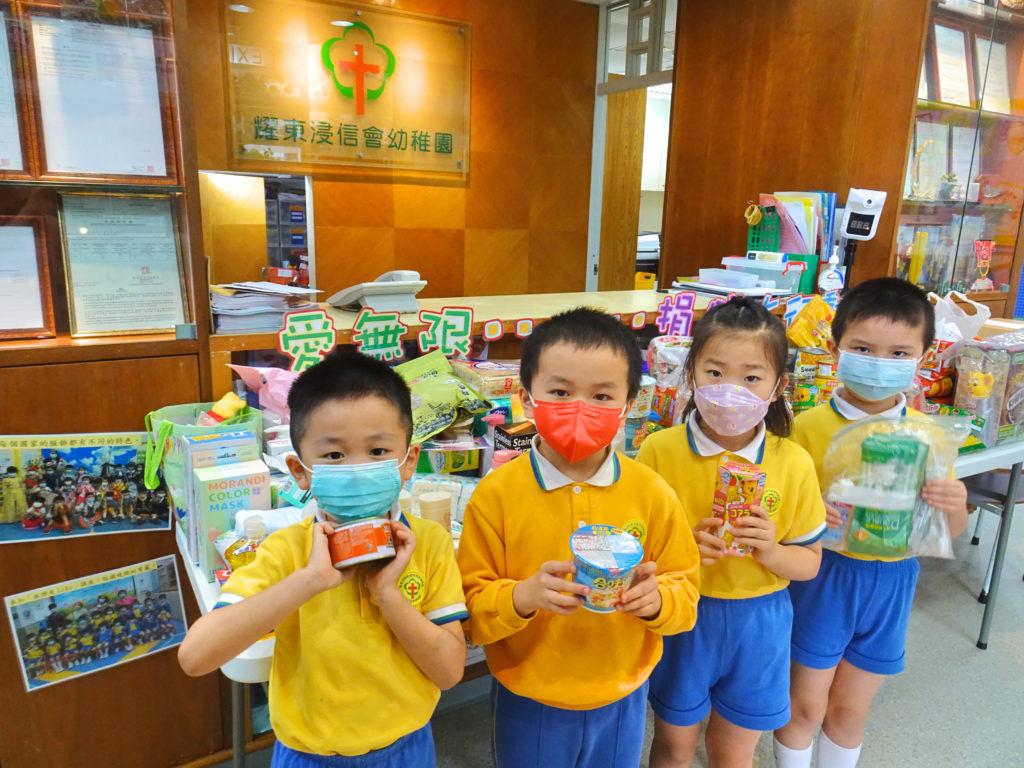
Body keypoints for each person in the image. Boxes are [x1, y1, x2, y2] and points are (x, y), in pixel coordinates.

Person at [178, 349, 468, 767]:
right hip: (308, 755)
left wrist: (388, 594)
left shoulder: (430, 543)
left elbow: (449, 672)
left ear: (408, 462)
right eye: (334, 455)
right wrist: (309, 580)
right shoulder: (287, 550)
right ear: (300, 471)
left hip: (406, 749)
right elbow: (195, 657)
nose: (357, 469)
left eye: (378, 451)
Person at [458, 307, 701, 768]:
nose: (580, 408)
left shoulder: (651, 493)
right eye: (560, 392)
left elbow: (685, 594)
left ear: (628, 405)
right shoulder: (496, 496)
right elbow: (470, 609)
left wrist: (658, 601)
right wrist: (523, 596)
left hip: (622, 693)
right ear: (527, 400)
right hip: (528, 693)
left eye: (602, 396)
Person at [774, 277, 969, 768]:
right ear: (835, 348)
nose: (880, 363)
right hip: (823, 576)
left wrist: (954, 503)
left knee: (850, 710)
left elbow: (947, 532)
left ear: (924, 356)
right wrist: (808, 512)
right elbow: (780, 514)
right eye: (863, 349)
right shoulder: (805, 429)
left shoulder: (930, 435)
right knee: (804, 705)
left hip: (893, 582)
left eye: (899, 353)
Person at [636, 297, 826, 768]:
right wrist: (682, 551)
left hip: (760, 622)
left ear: (778, 387)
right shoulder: (659, 451)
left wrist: (771, 550)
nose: (730, 390)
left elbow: (809, 563)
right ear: (691, 374)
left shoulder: (792, 461)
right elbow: (636, 552)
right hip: (684, 614)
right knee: (674, 747)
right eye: (715, 373)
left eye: (751, 378)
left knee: (734, 751)